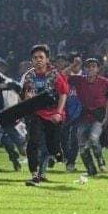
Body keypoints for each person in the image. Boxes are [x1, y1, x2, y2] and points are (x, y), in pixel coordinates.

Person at [21, 44, 69, 187]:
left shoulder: (56, 75)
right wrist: (26, 98)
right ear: (32, 60)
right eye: (35, 58)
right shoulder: (28, 76)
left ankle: (57, 152)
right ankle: (34, 174)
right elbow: (24, 95)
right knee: (33, 142)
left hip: (53, 114)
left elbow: (63, 94)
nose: (38, 60)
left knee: (52, 145)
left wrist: (59, 112)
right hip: (36, 113)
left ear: (47, 59)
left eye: (41, 57)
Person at [66, 58, 108, 175]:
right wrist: (73, 66)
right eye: (88, 66)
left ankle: (100, 161)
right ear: (84, 69)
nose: (90, 69)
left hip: (99, 115)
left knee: (93, 138)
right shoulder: (79, 80)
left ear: (98, 69)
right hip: (84, 115)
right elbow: (61, 76)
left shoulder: (105, 82)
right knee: (82, 144)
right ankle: (91, 169)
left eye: (93, 66)